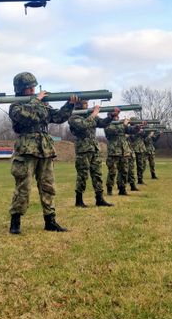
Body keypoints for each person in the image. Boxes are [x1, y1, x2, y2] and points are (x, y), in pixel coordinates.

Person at [8, 72, 76, 234]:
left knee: (48, 186)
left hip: (45, 149)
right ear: (20, 89)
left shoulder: (42, 104)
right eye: (28, 88)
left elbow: (58, 117)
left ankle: (50, 221)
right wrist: (36, 100)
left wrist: (70, 105)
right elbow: (27, 117)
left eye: (33, 87)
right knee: (23, 186)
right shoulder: (16, 106)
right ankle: (15, 222)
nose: (32, 90)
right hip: (26, 150)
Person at [67, 100, 114, 207]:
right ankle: (79, 200)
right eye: (85, 103)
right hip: (83, 150)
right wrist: (94, 114)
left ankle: (99, 199)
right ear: (78, 104)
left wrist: (111, 116)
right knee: (82, 175)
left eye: (87, 103)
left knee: (97, 174)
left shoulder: (90, 115)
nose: (87, 105)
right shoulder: (73, 117)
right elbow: (83, 125)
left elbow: (102, 123)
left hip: (94, 149)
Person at [103, 111, 134, 195]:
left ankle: (122, 189)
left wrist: (137, 127)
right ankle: (109, 189)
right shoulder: (108, 125)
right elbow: (113, 131)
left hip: (123, 152)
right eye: (115, 116)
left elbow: (130, 130)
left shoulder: (121, 125)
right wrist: (124, 125)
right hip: (113, 152)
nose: (117, 117)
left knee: (124, 171)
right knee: (112, 172)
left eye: (118, 116)